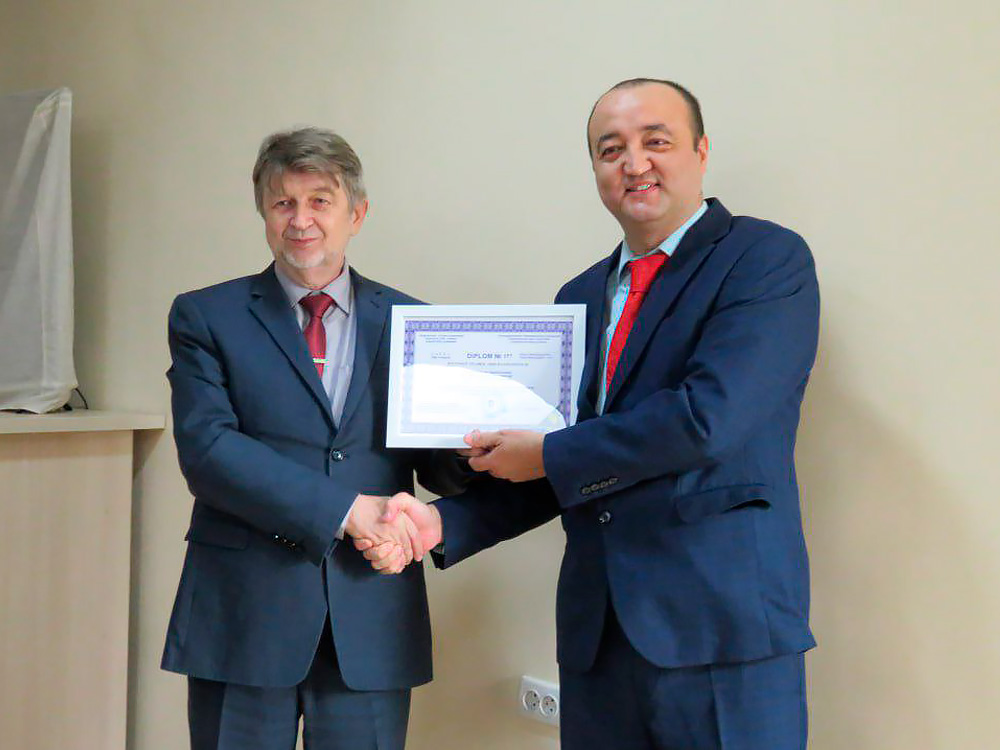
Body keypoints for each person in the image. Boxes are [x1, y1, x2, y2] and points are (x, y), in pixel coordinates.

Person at [362, 79, 820, 749]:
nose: (634, 163)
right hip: (598, 640)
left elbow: (706, 420)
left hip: (721, 631)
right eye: (611, 150)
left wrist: (547, 453)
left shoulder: (764, 260)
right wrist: (442, 522)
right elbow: (570, 462)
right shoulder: (578, 297)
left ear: (700, 150)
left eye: (655, 141)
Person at [161, 127, 466, 750]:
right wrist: (346, 510)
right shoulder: (205, 316)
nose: (300, 220)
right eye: (283, 203)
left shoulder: (417, 323)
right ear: (263, 213)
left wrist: (475, 444)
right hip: (244, 612)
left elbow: (439, 467)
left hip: (371, 612)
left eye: (320, 201)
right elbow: (209, 452)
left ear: (357, 213)